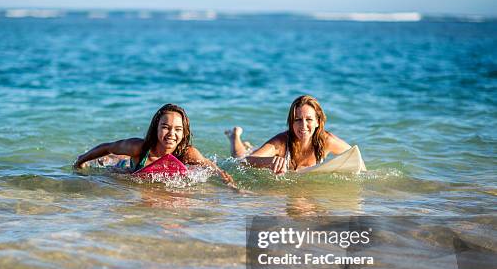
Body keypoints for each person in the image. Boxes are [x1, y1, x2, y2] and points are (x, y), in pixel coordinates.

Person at [74, 103, 235, 185]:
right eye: (165, 127)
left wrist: (229, 183)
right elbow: (107, 147)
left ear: (184, 133)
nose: (172, 134)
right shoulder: (139, 147)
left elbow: (211, 166)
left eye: (178, 129)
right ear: (156, 127)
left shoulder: (188, 153)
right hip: (132, 167)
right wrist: (81, 160)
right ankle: (112, 160)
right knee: (113, 165)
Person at [225, 95, 352, 174]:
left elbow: (354, 155)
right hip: (256, 155)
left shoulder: (326, 141)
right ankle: (234, 136)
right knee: (239, 155)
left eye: (308, 119)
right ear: (291, 123)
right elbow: (244, 161)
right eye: (297, 120)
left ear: (318, 122)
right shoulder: (281, 143)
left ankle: (246, 144)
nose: (303, 125)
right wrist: (270, 161)